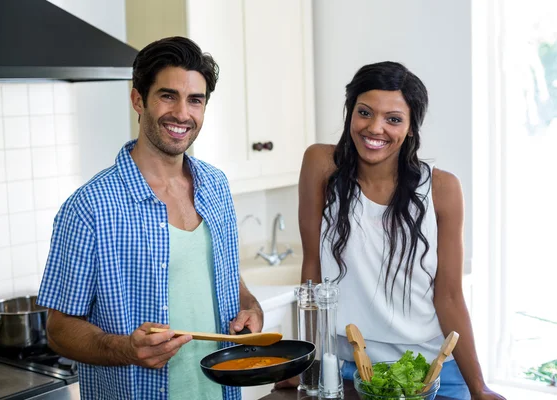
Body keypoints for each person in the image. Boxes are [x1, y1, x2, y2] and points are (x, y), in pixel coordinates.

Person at [36, 36, 262, 400]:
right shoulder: (90, 207)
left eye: (195, 100)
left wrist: (248, 305)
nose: (182, 113)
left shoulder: (216, 186)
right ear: (138, 99)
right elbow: (59, 329)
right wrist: (127, 349)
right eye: (167, 95)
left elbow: (224, 275)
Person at [297, 62, 505, 400]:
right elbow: (312, 275)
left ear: (410, 128)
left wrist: (478, 388)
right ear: (351, 112)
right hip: (350, 369)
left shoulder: (442, 188)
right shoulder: (321, 165)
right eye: (364, 112)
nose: (375, 128)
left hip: (431, 370)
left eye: (393, 119)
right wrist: (305, 363)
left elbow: (449, 295)